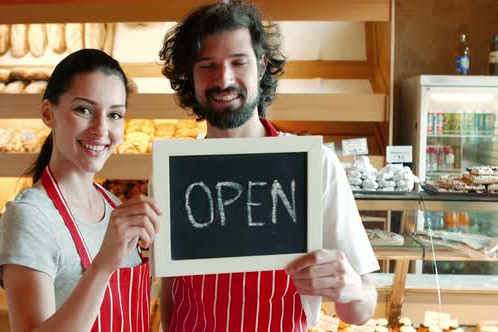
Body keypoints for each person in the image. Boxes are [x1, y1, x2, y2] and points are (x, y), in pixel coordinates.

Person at [158, 1, 379, 331]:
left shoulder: (313, 165)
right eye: (207, 65)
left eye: (238, 62)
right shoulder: (171, 173)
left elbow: (359, 313)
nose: (224, 78)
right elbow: (171, 292)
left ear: (261, 66)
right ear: (189, 75)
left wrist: (350, 289)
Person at [0, 49, 161, 332]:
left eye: (115, 115)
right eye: (84, 110)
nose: (101, 129)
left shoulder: (112, 205)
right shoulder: (29, 218)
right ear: (48, 113)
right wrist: (103, 264)